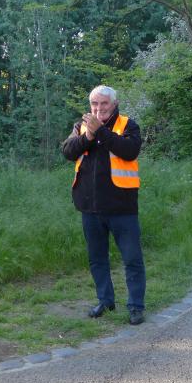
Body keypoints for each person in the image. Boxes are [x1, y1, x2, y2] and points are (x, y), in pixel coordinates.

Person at [61, 85, 146, 325]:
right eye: (94, 104)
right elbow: (67, 151)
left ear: (114, 104)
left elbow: (129, 151)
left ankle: (136, 306)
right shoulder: (81, 127)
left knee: (132, 259)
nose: (99, 108)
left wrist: (100, 132)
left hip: (122, 208)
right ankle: (105, 301)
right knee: (97, 259)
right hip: (90, 208)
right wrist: (88, 136)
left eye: (104, 103)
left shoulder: (128, 125)